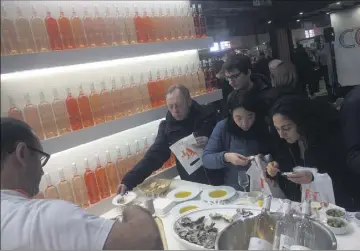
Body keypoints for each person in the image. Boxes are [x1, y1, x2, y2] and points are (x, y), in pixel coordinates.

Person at [0, 118, 163, 250]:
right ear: (22, 154)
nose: (42, 172)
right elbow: (148, 241)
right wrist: (130, 207)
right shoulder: (46, 217)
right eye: (40, 158)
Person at [118, 84, 224, 195]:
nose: (175, 110)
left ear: (189, 101)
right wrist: (128, 181)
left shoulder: (209, 115)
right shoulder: (167, 128)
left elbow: (228, 141)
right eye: (171, 106)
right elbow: (153, 157)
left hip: (219, 179)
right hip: (192, 185)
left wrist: (211, 142)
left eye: (178, 105)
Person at [265, 96, 356, 210]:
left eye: (287, 128)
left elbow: (342, 175)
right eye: (277, 129)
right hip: (305, 205)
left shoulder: (328, 137)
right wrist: (275, 168)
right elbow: (286, 170)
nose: (281, 135)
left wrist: (314, 178)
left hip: (335, 206)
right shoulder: (283, 142)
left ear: (300, 122)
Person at [202, 90, 272, 190]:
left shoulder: (265, 125)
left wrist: (268, 161)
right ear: (231, 113)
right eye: (238, 118)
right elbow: (206, 159)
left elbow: (277, 155)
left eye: (250, 116)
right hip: (234, 189)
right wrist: (226, 157)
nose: (245, 123)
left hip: (264, 187)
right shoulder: (223, 127)